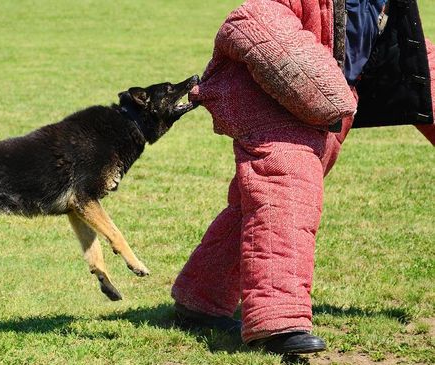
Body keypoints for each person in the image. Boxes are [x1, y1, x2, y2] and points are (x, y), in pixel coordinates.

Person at [171, 0, 435, 355]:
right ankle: (278, 321)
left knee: (253, 206)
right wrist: (312, 80)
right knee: (286, 197)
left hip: (327, 99)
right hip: (272, 94)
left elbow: (392, 36)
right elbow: (253, 17)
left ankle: (200, 300)